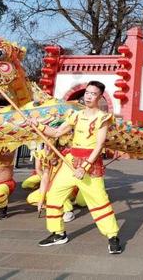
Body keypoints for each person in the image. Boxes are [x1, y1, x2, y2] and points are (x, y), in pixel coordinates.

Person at [34, 81, 121, 253]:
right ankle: (58, 233)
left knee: (99, 201)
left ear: (100, 97)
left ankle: (113, 236)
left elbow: (99, 144)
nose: (88, 96)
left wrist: (86, 166)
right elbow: (58, 132)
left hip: (90, 163)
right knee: (54, 195)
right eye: (87, 93)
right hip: (71, 161)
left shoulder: (103, 117)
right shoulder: (77, 115)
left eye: (93, 94)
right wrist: (39, 126)